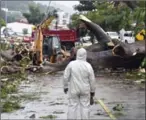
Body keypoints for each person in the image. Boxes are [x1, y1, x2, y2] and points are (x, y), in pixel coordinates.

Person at [63, 48, 96, 119]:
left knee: (72, 106)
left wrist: (65, 86)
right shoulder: (88, 66)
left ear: (77, 54)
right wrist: (92, 92)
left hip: (73, 89)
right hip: (85, 90)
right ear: (85, 55)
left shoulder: (71, 64)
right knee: (85, 107)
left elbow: (65, 76)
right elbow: (92, 80)